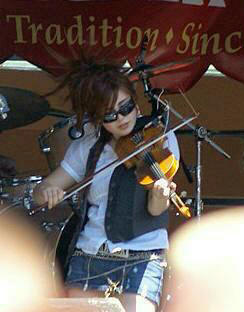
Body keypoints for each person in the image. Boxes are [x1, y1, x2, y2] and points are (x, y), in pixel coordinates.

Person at [33, 55, 180, 312]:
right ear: (97, 118)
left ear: (136, 104)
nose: (122, 118)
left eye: (126, 107)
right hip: (90, 254)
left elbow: (156, 211)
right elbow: (40, 192)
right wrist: (49, 191)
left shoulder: (160, 138)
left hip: (142, 255)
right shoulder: (87, 147)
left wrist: (160, 194)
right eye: (110, 115)